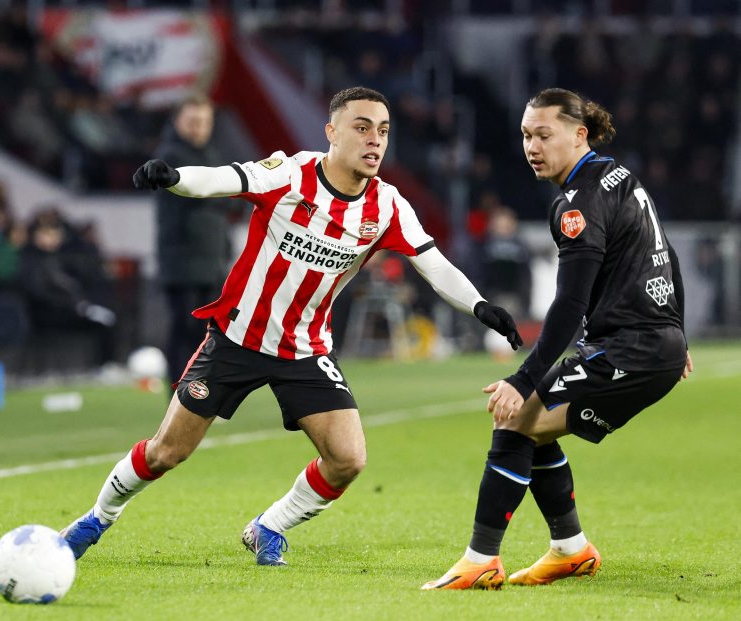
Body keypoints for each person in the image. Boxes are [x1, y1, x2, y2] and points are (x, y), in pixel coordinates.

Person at [60, 86, 522, 566]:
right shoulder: (290, 173)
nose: (374, 141)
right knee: (166, 452)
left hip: (305, 349)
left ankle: (269, 526)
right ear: (332, 133)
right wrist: (176, 177)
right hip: (238, 339)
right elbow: (222, 178)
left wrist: (480, 306)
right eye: (362, 128)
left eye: (383, 131)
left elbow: (434, 263)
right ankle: (95, 519)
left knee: (348, 459)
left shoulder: (387, 206)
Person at [423, 88, 691, 590]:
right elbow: (667, 254)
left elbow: (569, 304)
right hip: (648, 343)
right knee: (534, 426)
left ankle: (481, 559)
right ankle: (570, 549)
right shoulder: (618, 175)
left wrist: (522, 378)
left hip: (629, 349)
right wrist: (678, 331)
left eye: (544, 135)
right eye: (527, 135)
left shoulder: (578, 204)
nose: (533, 147)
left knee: (514, 421)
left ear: (579, 134)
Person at [155, 94, 240, 385]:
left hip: (211, 261)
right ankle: (180, 394)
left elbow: (226, 196)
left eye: (204, 121)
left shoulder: (211, 154)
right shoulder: (170, 157)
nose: (199, 128)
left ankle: (198, 393)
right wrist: (224, 192)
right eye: (192, 121)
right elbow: (210, 194)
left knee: (206, 334)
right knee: (185, 331)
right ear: (176, 121)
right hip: (182, 262)